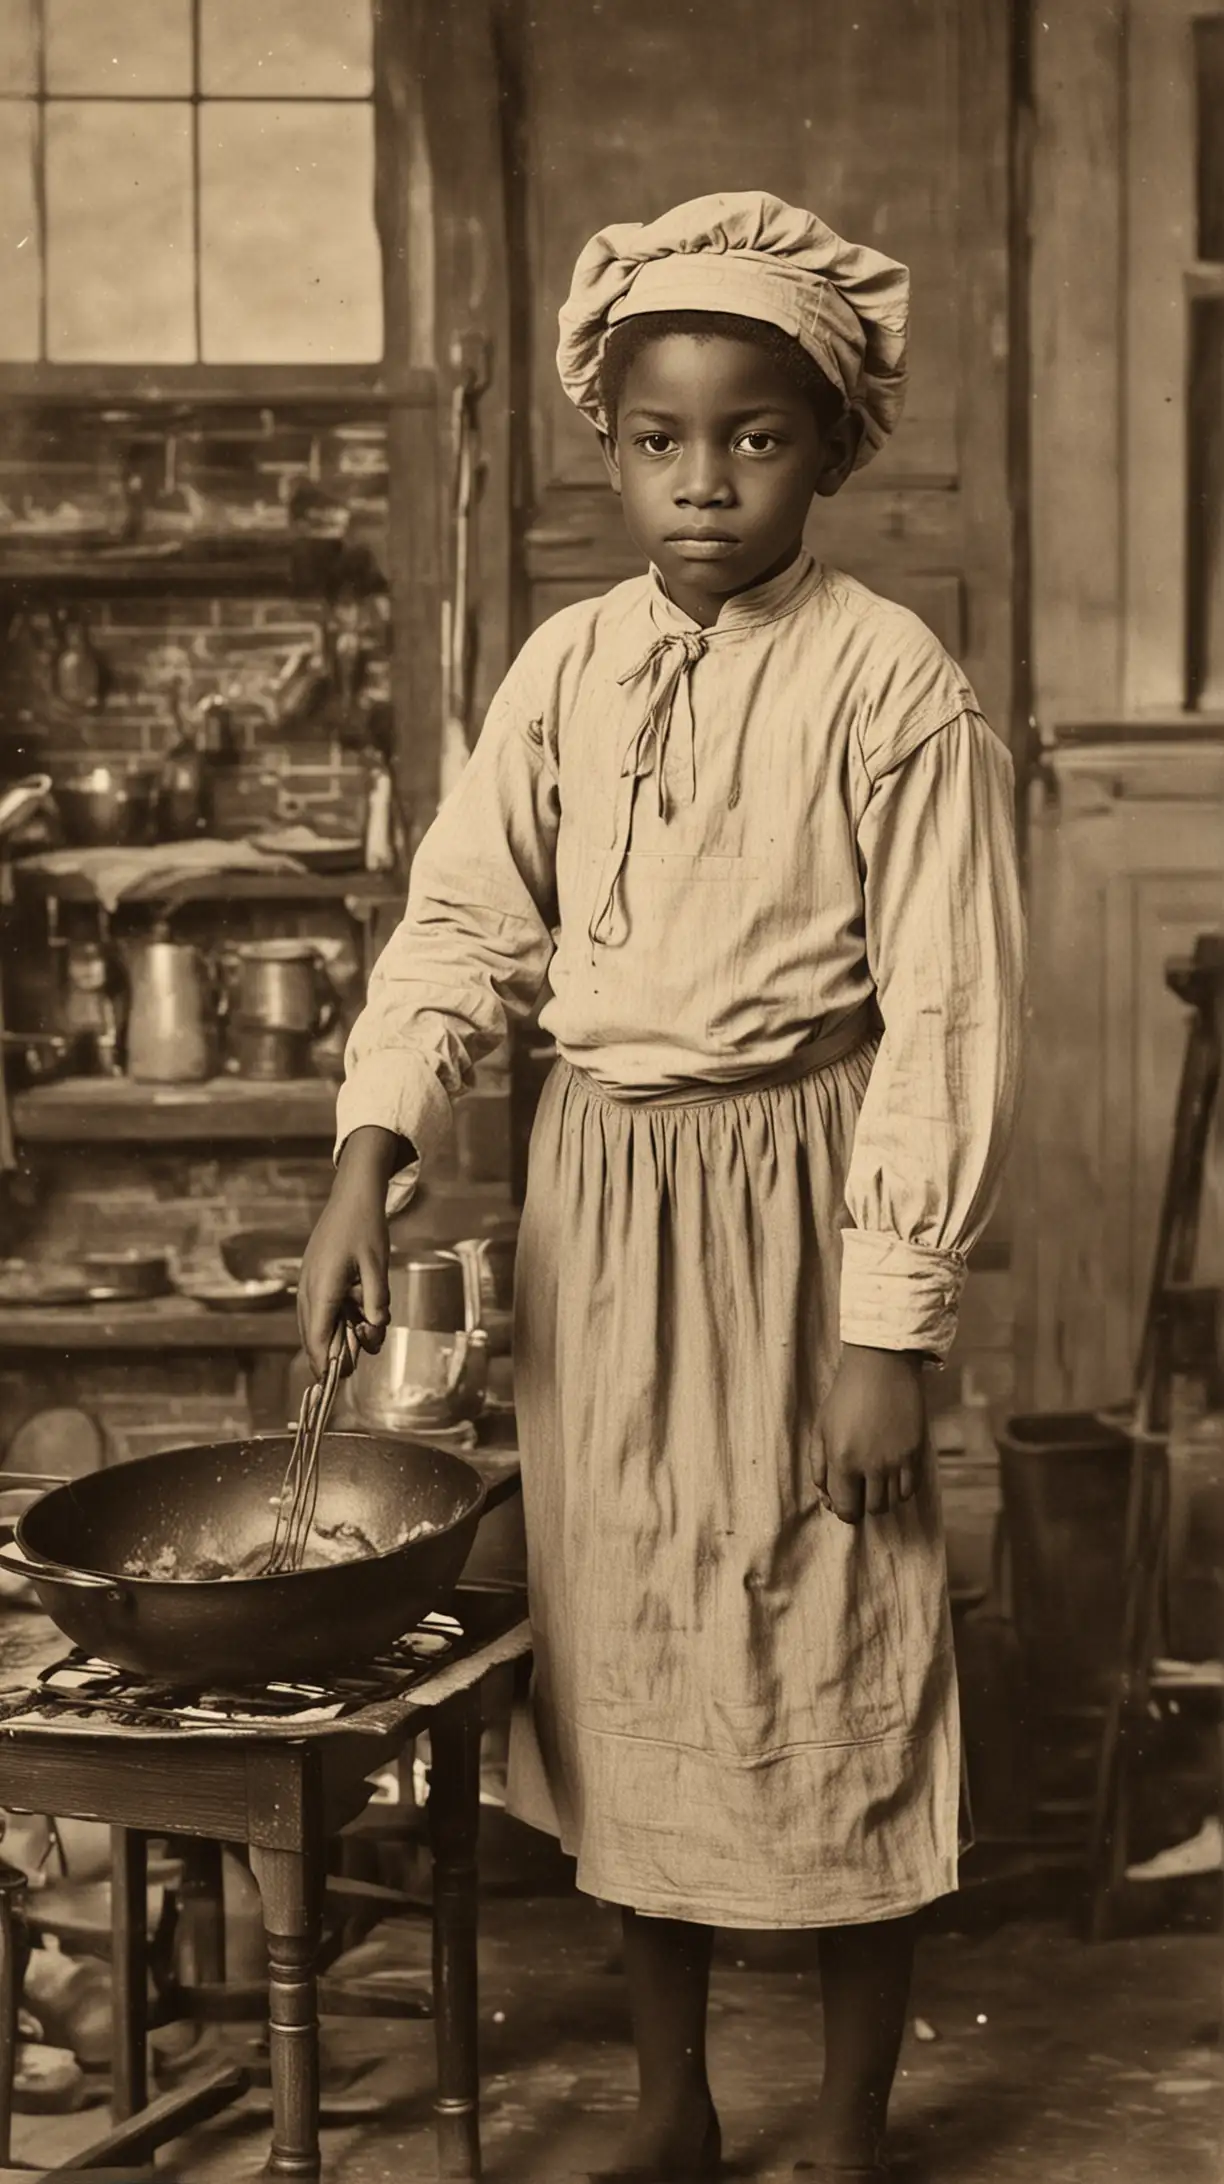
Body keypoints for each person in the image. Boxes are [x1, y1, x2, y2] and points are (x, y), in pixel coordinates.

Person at [299, 191, 1025, 2183]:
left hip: (807, 1202)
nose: (703, 483)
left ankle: (858, 2122)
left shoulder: (893, 685)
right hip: (598, 1201)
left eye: (755, 435)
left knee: (843, 1635)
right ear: (606, 443)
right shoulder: (566, 668)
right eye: (659, 439)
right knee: (626, 1648)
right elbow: (461, 929)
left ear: (829, 445)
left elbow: (951, 1019)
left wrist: (891, 1332)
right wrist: (368, 1157)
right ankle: (675, 2104)